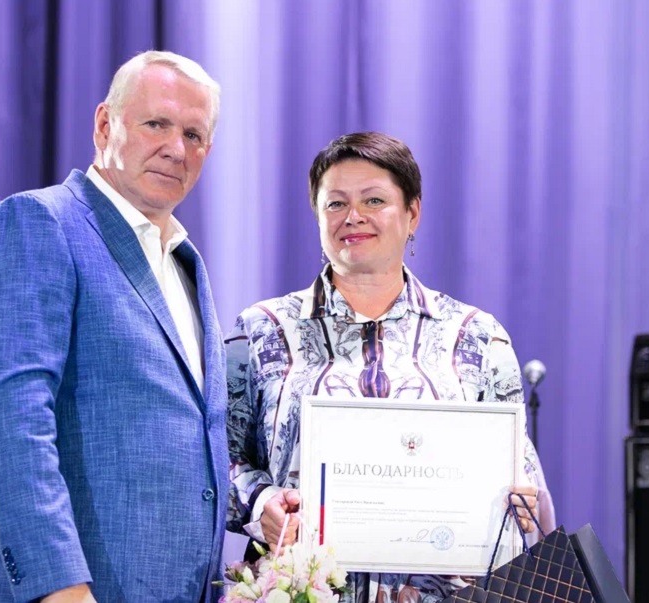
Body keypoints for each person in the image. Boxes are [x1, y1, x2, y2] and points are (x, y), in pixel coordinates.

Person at [224, 132, 556, 603]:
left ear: (412, 213)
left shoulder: (479, 337)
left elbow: (522, 481)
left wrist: (518, 501)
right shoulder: (261, 330)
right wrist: (262, 505)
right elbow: (218, 464)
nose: (353, 216)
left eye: (374, 200)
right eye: (335, 203)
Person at [0, 50, 227, 603]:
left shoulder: (186, 263)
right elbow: (11, 424)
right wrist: (60, 588)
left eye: (194, 135)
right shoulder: (39, 222)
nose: (176, 149)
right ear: (105, 124)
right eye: (156, 124)